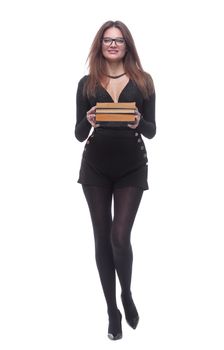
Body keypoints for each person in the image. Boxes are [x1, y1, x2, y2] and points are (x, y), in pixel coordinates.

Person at [74, 20, 156, 341]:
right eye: (107, 40)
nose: (112, 45)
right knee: (101, 238)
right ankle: (112, 310)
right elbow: (79, 134)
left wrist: (139, 120)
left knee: (119, 237)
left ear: (127, 45)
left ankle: (127, 293)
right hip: (94, 169)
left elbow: (152, 130)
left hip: (132, 167)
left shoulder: (144, 81)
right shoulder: (86, 83)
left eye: (118, 40)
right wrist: (88, 118)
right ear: (100, 45)